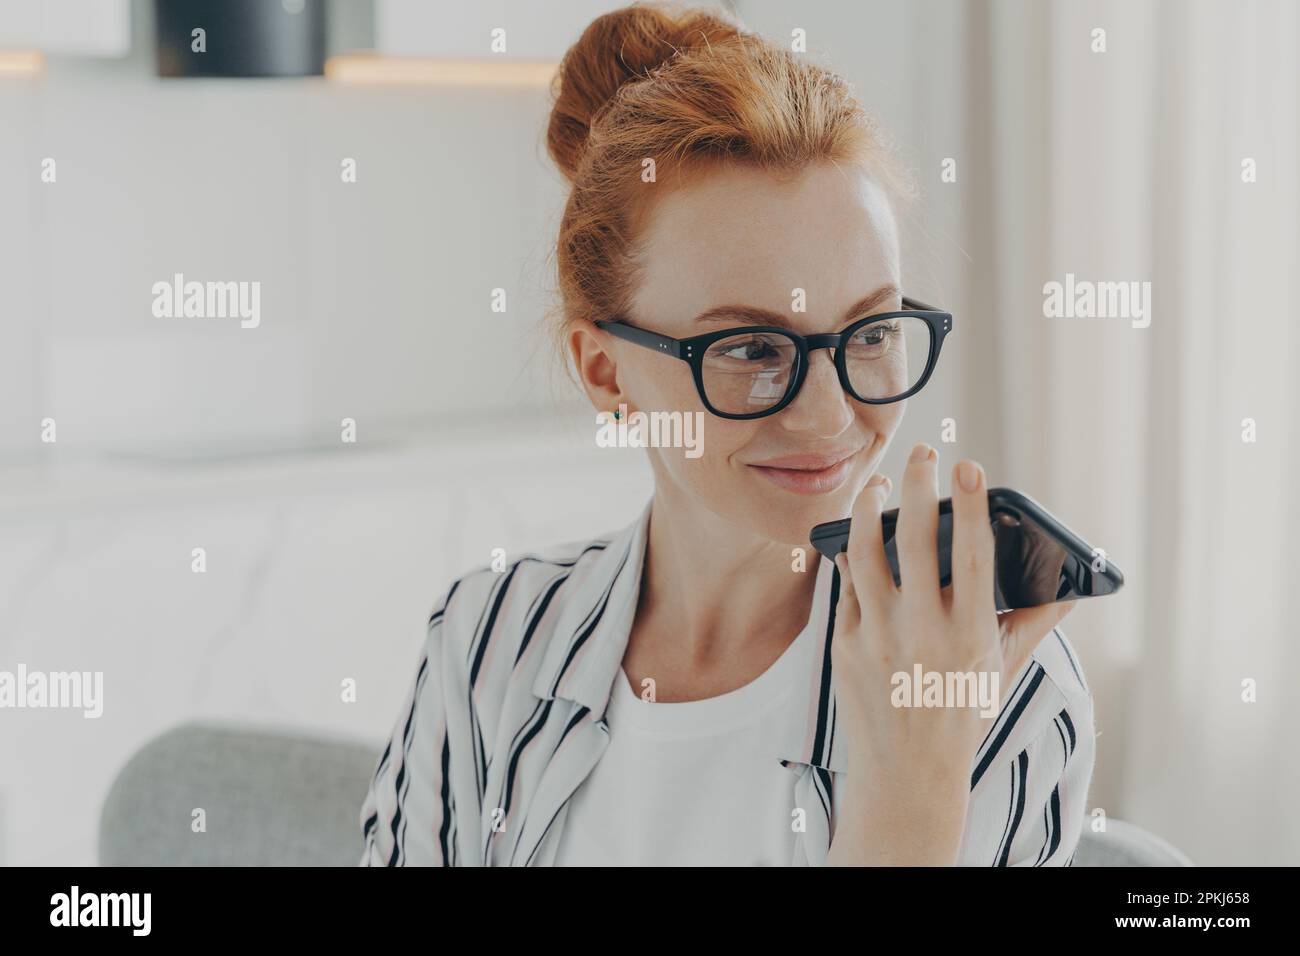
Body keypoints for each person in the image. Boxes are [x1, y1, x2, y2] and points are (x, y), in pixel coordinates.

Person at [360, 1, 1094, 867]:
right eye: (749, 349)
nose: (828, 415)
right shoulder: (489, 644)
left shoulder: (1000, 688)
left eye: (869, 334)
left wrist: (914, 781)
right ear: (606, 373)